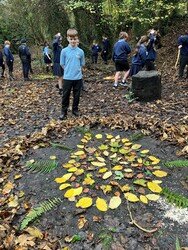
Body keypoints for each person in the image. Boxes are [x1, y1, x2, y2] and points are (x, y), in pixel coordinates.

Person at [59, 28, 85, 120]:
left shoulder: (80, 52)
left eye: (75, 39)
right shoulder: (64, 51)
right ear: (67, 39)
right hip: (67, 77)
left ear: (77, 39)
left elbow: (82, 64)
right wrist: (68, 70)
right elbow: (62, 63)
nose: (73, 41)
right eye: (71, 39)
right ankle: (64, 111)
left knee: (77, 95)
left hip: (78, 78)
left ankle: (75, 110)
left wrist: (77, 71)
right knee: (65, 95)